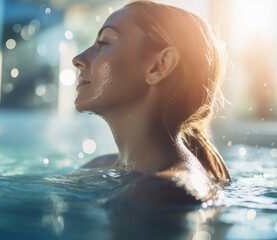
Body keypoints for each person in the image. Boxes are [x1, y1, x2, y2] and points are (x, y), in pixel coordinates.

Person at [72, 0, 231, 206]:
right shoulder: (98, 167)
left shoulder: (161, 190)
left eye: (103, 42)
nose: (78, 59)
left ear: (159, 66)